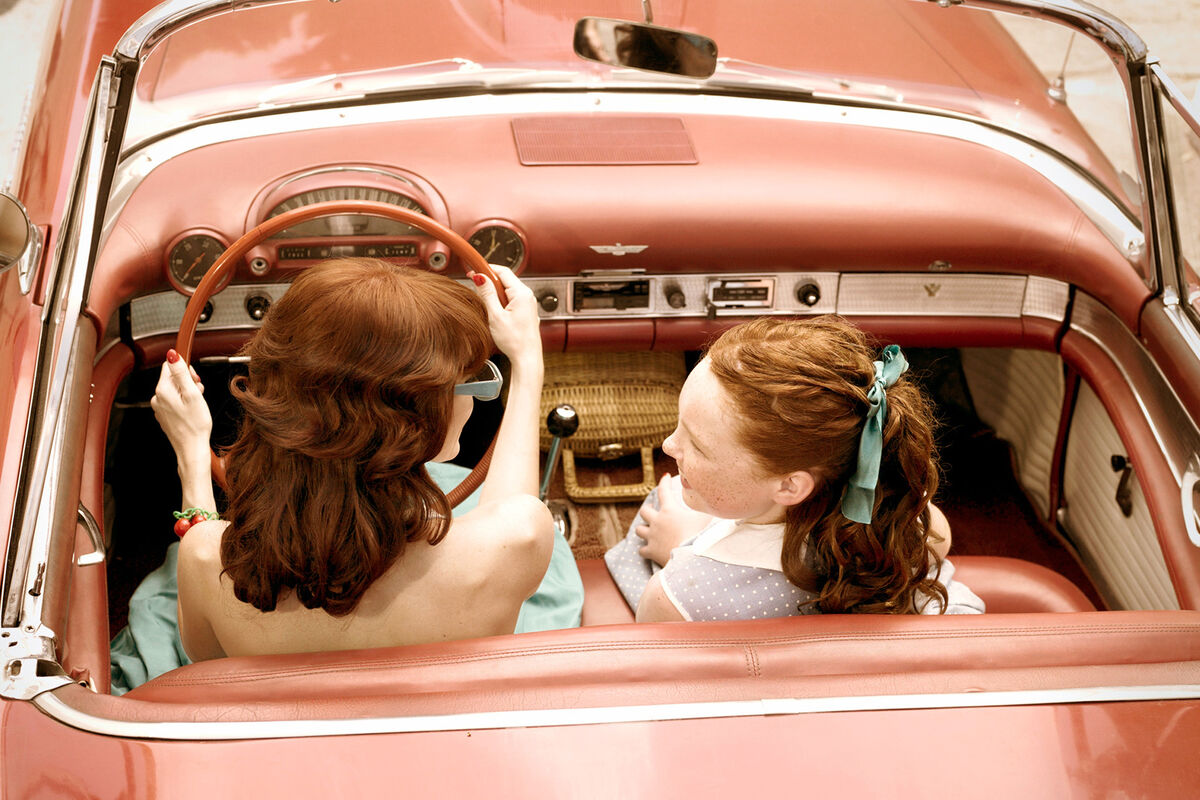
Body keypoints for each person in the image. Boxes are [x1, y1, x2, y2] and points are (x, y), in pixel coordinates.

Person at [145, 257, 580, 666]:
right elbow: (510, 510)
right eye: (466, 381)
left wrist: (191, 456)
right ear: (419, 416)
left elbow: (205, 662)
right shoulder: (517, 540)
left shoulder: (202, 557)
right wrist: (527, 360)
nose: (472, 395)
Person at [605, 316, 984, 621]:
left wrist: (683, 550)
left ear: (789, 487)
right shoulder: (907, 524)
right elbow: (938, 540)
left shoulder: (677, 598)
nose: (669, 446)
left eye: (698, 445)